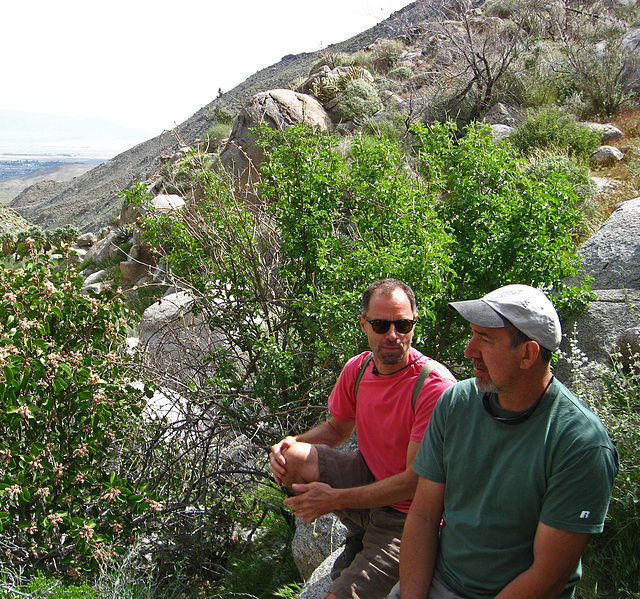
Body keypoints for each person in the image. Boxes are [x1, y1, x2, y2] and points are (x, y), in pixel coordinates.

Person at [393, 284, 618, 599]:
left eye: (485, 339)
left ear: (527, 354)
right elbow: (424, 516)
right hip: (442, 583)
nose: (469, 351)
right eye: (473, 335)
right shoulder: (456, 403)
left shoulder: (580, 443)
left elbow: (548, 576)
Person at [269, 279, 456, 599]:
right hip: (371, 481)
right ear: (364, 325)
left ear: (414, 324)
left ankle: (374, 542)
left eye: (403, 324)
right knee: (294, 459)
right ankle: (363, 531)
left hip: (410, 517)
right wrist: (287, 443)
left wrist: (336, 499)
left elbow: (413, 482)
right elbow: (337, 429)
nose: (393, 335)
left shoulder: (432, 386)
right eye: (381, 325)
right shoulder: (358, 370)